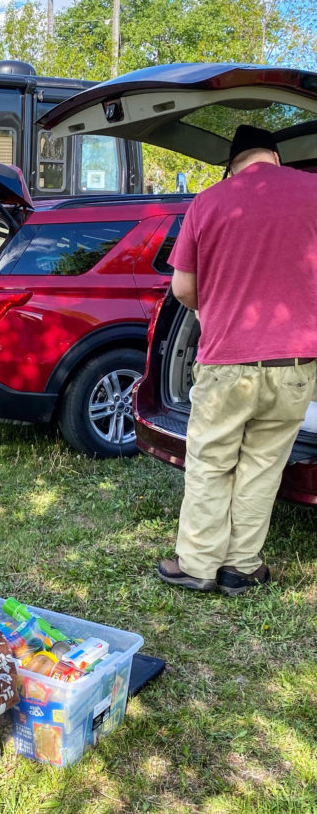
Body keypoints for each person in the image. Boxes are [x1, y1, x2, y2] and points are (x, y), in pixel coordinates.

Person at [157, 124, 317, 595]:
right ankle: (243, 568)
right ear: (275, 156)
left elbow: (183, 289)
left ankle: (198, 565)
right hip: (294, 364)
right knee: (263, 466)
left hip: (227, 359)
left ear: (234, 165)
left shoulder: (208, 201)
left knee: (211, 462)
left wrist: (218, 306)